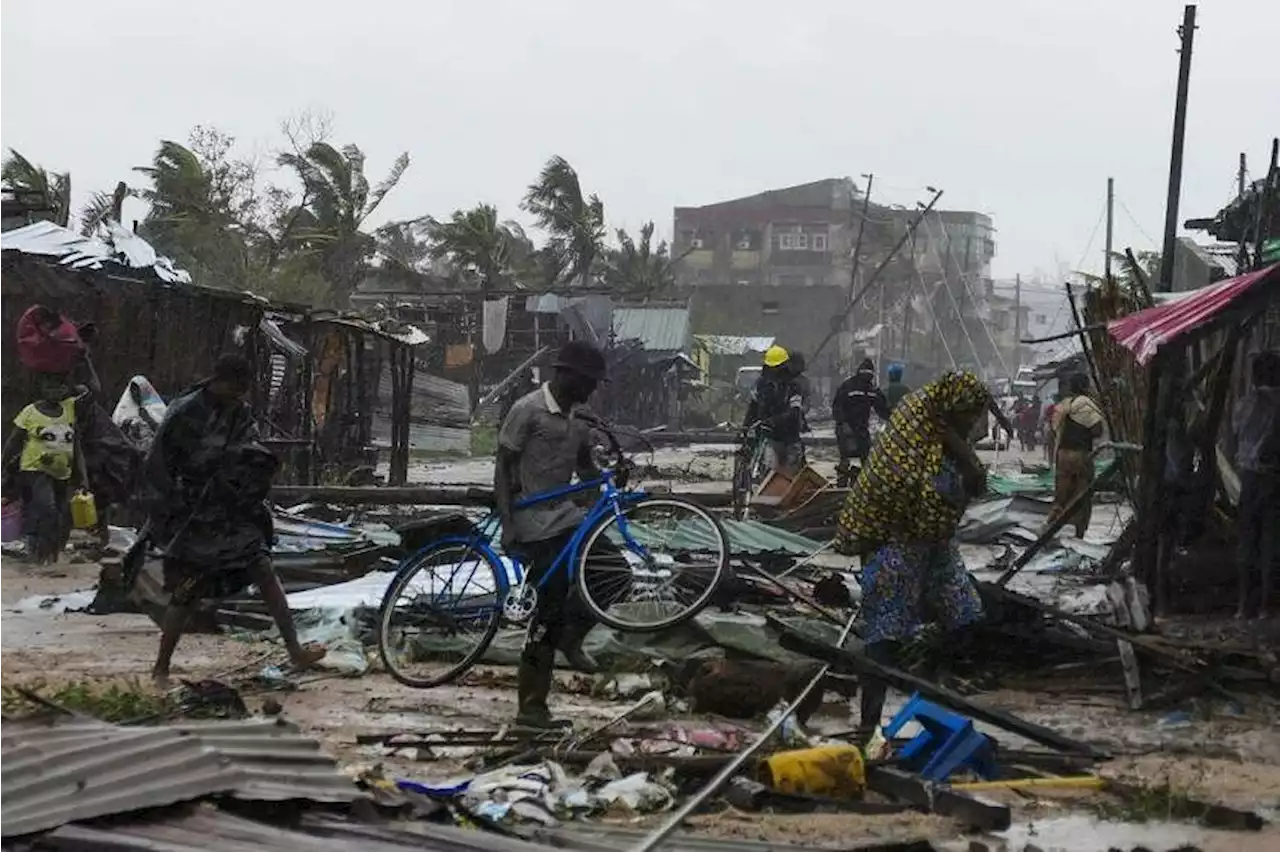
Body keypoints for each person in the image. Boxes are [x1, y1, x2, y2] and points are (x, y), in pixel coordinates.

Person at [836, 371, 1010, 744]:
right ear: (954, 409)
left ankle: (935, 707)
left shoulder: (940, 427)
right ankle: (869, 725)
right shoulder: (915, 434)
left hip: (934, 542)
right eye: (971, 415)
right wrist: (969, 473)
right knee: (885, 632)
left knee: (964, 613)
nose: (975, 424)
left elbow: (958, 492)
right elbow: (925, 499)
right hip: (894, 543)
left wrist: (968, 466)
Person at [144, 353, 324, 685]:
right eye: (235, 387)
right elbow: (158, 465)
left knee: (264, 571)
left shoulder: (239, 412)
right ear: (219, 381)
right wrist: (168, 512)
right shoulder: (186, 412)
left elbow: (249, 452)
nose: (239, 395)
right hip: (193, 515)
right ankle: (161, 667)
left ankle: (295, 650)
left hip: (231, 510)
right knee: (187, 590)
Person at [495, 341, 611, 729]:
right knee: (549, 608)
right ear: (565, 376)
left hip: (566, 517)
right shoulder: (527, 410)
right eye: (588, 382)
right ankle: (531, 707)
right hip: (533, 522)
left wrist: (604, 487)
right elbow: (503, 468)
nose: (591, 390)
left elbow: (584, 468)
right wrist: (509, 526)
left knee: (614, 573)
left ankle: (571, 637)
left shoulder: (582, 418)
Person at [1, 379, 86, 564]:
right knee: (48, 508)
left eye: (60, 386)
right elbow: (13, 441)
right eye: (50, 386)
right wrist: (4, 466)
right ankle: (42, 553)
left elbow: (76, 446)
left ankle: (47, 553)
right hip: (35, 468)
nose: (55, 391)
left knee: (60, 513)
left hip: (63, 472)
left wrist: (82, 475)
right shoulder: (30, 411)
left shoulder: (70, 408)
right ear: (42, 387)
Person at [1233, 352, 1280, 619]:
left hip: (1248, 478)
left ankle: (1242, 606)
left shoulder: (1244, 404)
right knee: (1271, 541)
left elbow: (1237, 433)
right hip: (1274, 478)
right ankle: (1264, 606)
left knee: (1248, 540)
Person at [1047, 374, 1105, 538]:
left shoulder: (1063, 406)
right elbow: (1097, 430)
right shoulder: (1085, 405)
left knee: (1061, 497)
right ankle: (1078, 535)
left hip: (1063, 455)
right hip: (1080, 456)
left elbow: (1053, 433)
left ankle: (1050, 532)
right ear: (1085, 386)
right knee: (1081, 498)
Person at [745, 345, 806, 476]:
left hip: (790, 438)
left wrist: (773, 421)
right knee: (769, 476)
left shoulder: (794, 387)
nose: (774, 372)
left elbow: (795, 413)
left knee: (790, 477)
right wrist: (746, 428)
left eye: (777, 369)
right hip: (769, 438)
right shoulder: (761, 385)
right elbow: (753, 408)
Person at [832, 358, 889, 487]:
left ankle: (857, 484)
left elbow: (883, 409)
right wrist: (842, 423)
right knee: (847, 457)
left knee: (865, 457)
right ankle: (842, 484)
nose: (867, 378)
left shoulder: (871, 390)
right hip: (846, 427)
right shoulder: (848, 386)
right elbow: (837, 407)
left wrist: (894, 418)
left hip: (861, 429)